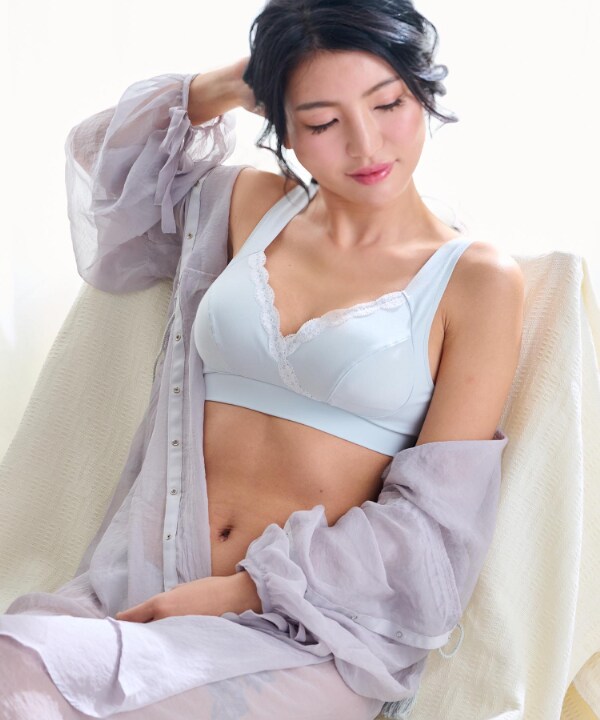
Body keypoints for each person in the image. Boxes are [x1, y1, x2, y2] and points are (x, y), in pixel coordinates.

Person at [0, 0, 523, 718]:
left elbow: (433, 527)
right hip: (143, 584)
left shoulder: (476, 280)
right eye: (322, 121)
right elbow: (104, 169)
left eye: (388, 104)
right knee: (16, 666)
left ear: (422, 92)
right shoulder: (246, 203)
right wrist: (234, 82)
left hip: (309, 628)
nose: (366, 145)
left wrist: (238, 592)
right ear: (282, 124)